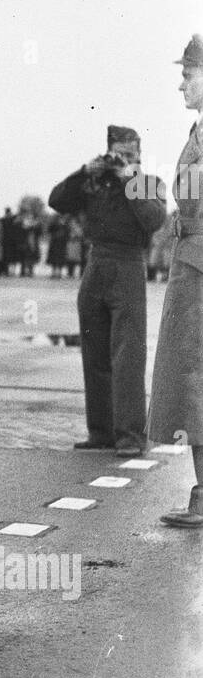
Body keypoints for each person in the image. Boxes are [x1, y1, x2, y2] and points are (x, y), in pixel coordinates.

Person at [48, 126, 166, 456]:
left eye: (132, 154)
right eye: (120, 154)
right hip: (95, 263)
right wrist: (84, 172)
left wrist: (130, 179)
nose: (126, 159)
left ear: (139, 154)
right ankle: (101, 432)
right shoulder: (94, 181)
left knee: (128, 355)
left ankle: (130, 436)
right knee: (94, 350)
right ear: (109, 151)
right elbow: (57, 201)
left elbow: (154, 218)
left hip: (128, 265)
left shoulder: (148, 182)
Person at [148, 35, 203, 526]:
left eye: (188, 74)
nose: (180, 85)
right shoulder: (198, 129)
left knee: (194, 379)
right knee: (190, 380)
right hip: (192, 263)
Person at [46, 213, 68, 278]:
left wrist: (63, 225)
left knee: (61, 259)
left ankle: (59, 273)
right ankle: (53, 273)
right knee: (53, 259)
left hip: (61, 244)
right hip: (54, 243)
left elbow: (67, 234)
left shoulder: (65, 225)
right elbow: (49, 230)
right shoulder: (53, 224)